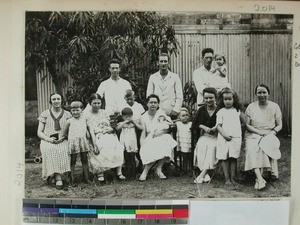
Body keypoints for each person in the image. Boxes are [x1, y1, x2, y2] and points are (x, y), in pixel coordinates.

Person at [244, 84, 282, 190]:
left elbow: (279, 125)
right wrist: (259, 132)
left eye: (264, 92)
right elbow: (247, 125)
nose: (262, 95)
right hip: (253, 133)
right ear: (256, 94)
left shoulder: (275, 106)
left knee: (264, 146)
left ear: (268, 93)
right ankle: (259, 178)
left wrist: (273, 133)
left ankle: (261, 177)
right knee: (253, 147)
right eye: (259, 92)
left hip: (270, 133)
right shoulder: (251, 107)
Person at [84, 93, 125, 182]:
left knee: (117, 146)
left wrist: (110, 129)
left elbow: (112, 125)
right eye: (94, 103)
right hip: (96, 136)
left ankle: (119, 172)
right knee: (101, 147)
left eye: (98, 103)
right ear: (90, 103)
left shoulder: (104, 112)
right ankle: (100, 173)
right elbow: (91, 131)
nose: (97, 105)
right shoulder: (87, 114)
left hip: (108, 134)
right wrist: (94, 144)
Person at [37, 93, 71, 189]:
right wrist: (48, 139)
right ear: (50, 101)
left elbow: (71, 131)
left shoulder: (68, 114)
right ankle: (58, 177)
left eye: (58, 99)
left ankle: (61, 175)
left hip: (63, 139)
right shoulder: (45, 114)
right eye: (54, 99)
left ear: (62, 100)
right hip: (48, 140)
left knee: (64, 149)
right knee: (50, 149)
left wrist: (64, 137)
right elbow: (39, 132)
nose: (56, 101)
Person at [139, 94, 177, 181]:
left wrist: (161, 132)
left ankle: (157, 169)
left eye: (155, 102)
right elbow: (143, 133)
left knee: (165, 142)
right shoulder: (143, 117)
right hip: (150, 137)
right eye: (151, 102)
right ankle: (147, 170)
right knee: (154, 145)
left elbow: (170, 127)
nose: (153, 104)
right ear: (147, 104)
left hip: (162, 136)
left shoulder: (161, 114)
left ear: (158, 104)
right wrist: (142, 145)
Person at [63, 101, 97, 185]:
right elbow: (64, 133)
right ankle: (72, 179)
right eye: (73, 110)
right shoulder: (69, 121)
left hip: (83, 142)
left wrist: (87, 135)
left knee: (84, 160)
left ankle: (87, 178)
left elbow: (88, 130)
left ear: (81, 110)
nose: (75, 112)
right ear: (71, 111)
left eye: (77, 110)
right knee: (73, 161)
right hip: (73, 143)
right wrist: (71, 139)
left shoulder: (85, 119)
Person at [216, 88, 244, 185]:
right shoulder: (221, 112)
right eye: (225, 99)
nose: (227, 101)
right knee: (224, 157)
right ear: (222, 100)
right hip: (224, 137)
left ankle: (233, 178)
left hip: (235, 138)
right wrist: (224, 135)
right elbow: (218, 126)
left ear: (234, 99)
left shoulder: (237, 111)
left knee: (233, 157)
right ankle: (226, 178)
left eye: (230, 99)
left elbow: (244, 122)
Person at [191, 87, 219, 184]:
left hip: (217, 136)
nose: (208, 100)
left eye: (211, 98)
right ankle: (205, 173)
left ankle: (202, 174)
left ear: (216, 98)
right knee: (201, 145)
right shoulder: (202, 109)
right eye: (206, 98)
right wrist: (203, 127)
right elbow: (194, 124)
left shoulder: (220, 109)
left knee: (211, 147)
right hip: (205, 135)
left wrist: (216, 128)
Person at [146, 53, 183, 119]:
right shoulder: (153, 77)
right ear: (158, 63)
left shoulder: (175, 77)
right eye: (161, 61)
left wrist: (176, 110)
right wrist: (153, 108)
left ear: (168, 62)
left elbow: (179, 96)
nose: (163, 64)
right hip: (156, 111)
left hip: (171, 111)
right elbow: (149, 95)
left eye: (165, 61)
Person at [116, 107, 143, 179]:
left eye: (130, 116)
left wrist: (133, 122)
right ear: (122, 117)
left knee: (132, 158)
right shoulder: (122, 123)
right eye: (126, 117)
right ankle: (128, 174)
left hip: (132, 142)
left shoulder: (133, 123)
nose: (128, 118)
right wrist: (124, 122)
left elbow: (141, 128)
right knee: (126, 158)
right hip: (124, 142)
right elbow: (117, 128)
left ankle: (133, 175)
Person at [175, 108, 193, 173]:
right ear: (179, 117)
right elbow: (171, 122)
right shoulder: (178, 123)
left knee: (190, 156)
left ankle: (191, 169)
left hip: (189, 143)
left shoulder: (191, 124)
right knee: (184, 156)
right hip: (182, 143)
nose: (185, 117)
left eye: (186, 115)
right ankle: (184, 169)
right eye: (183, 116)